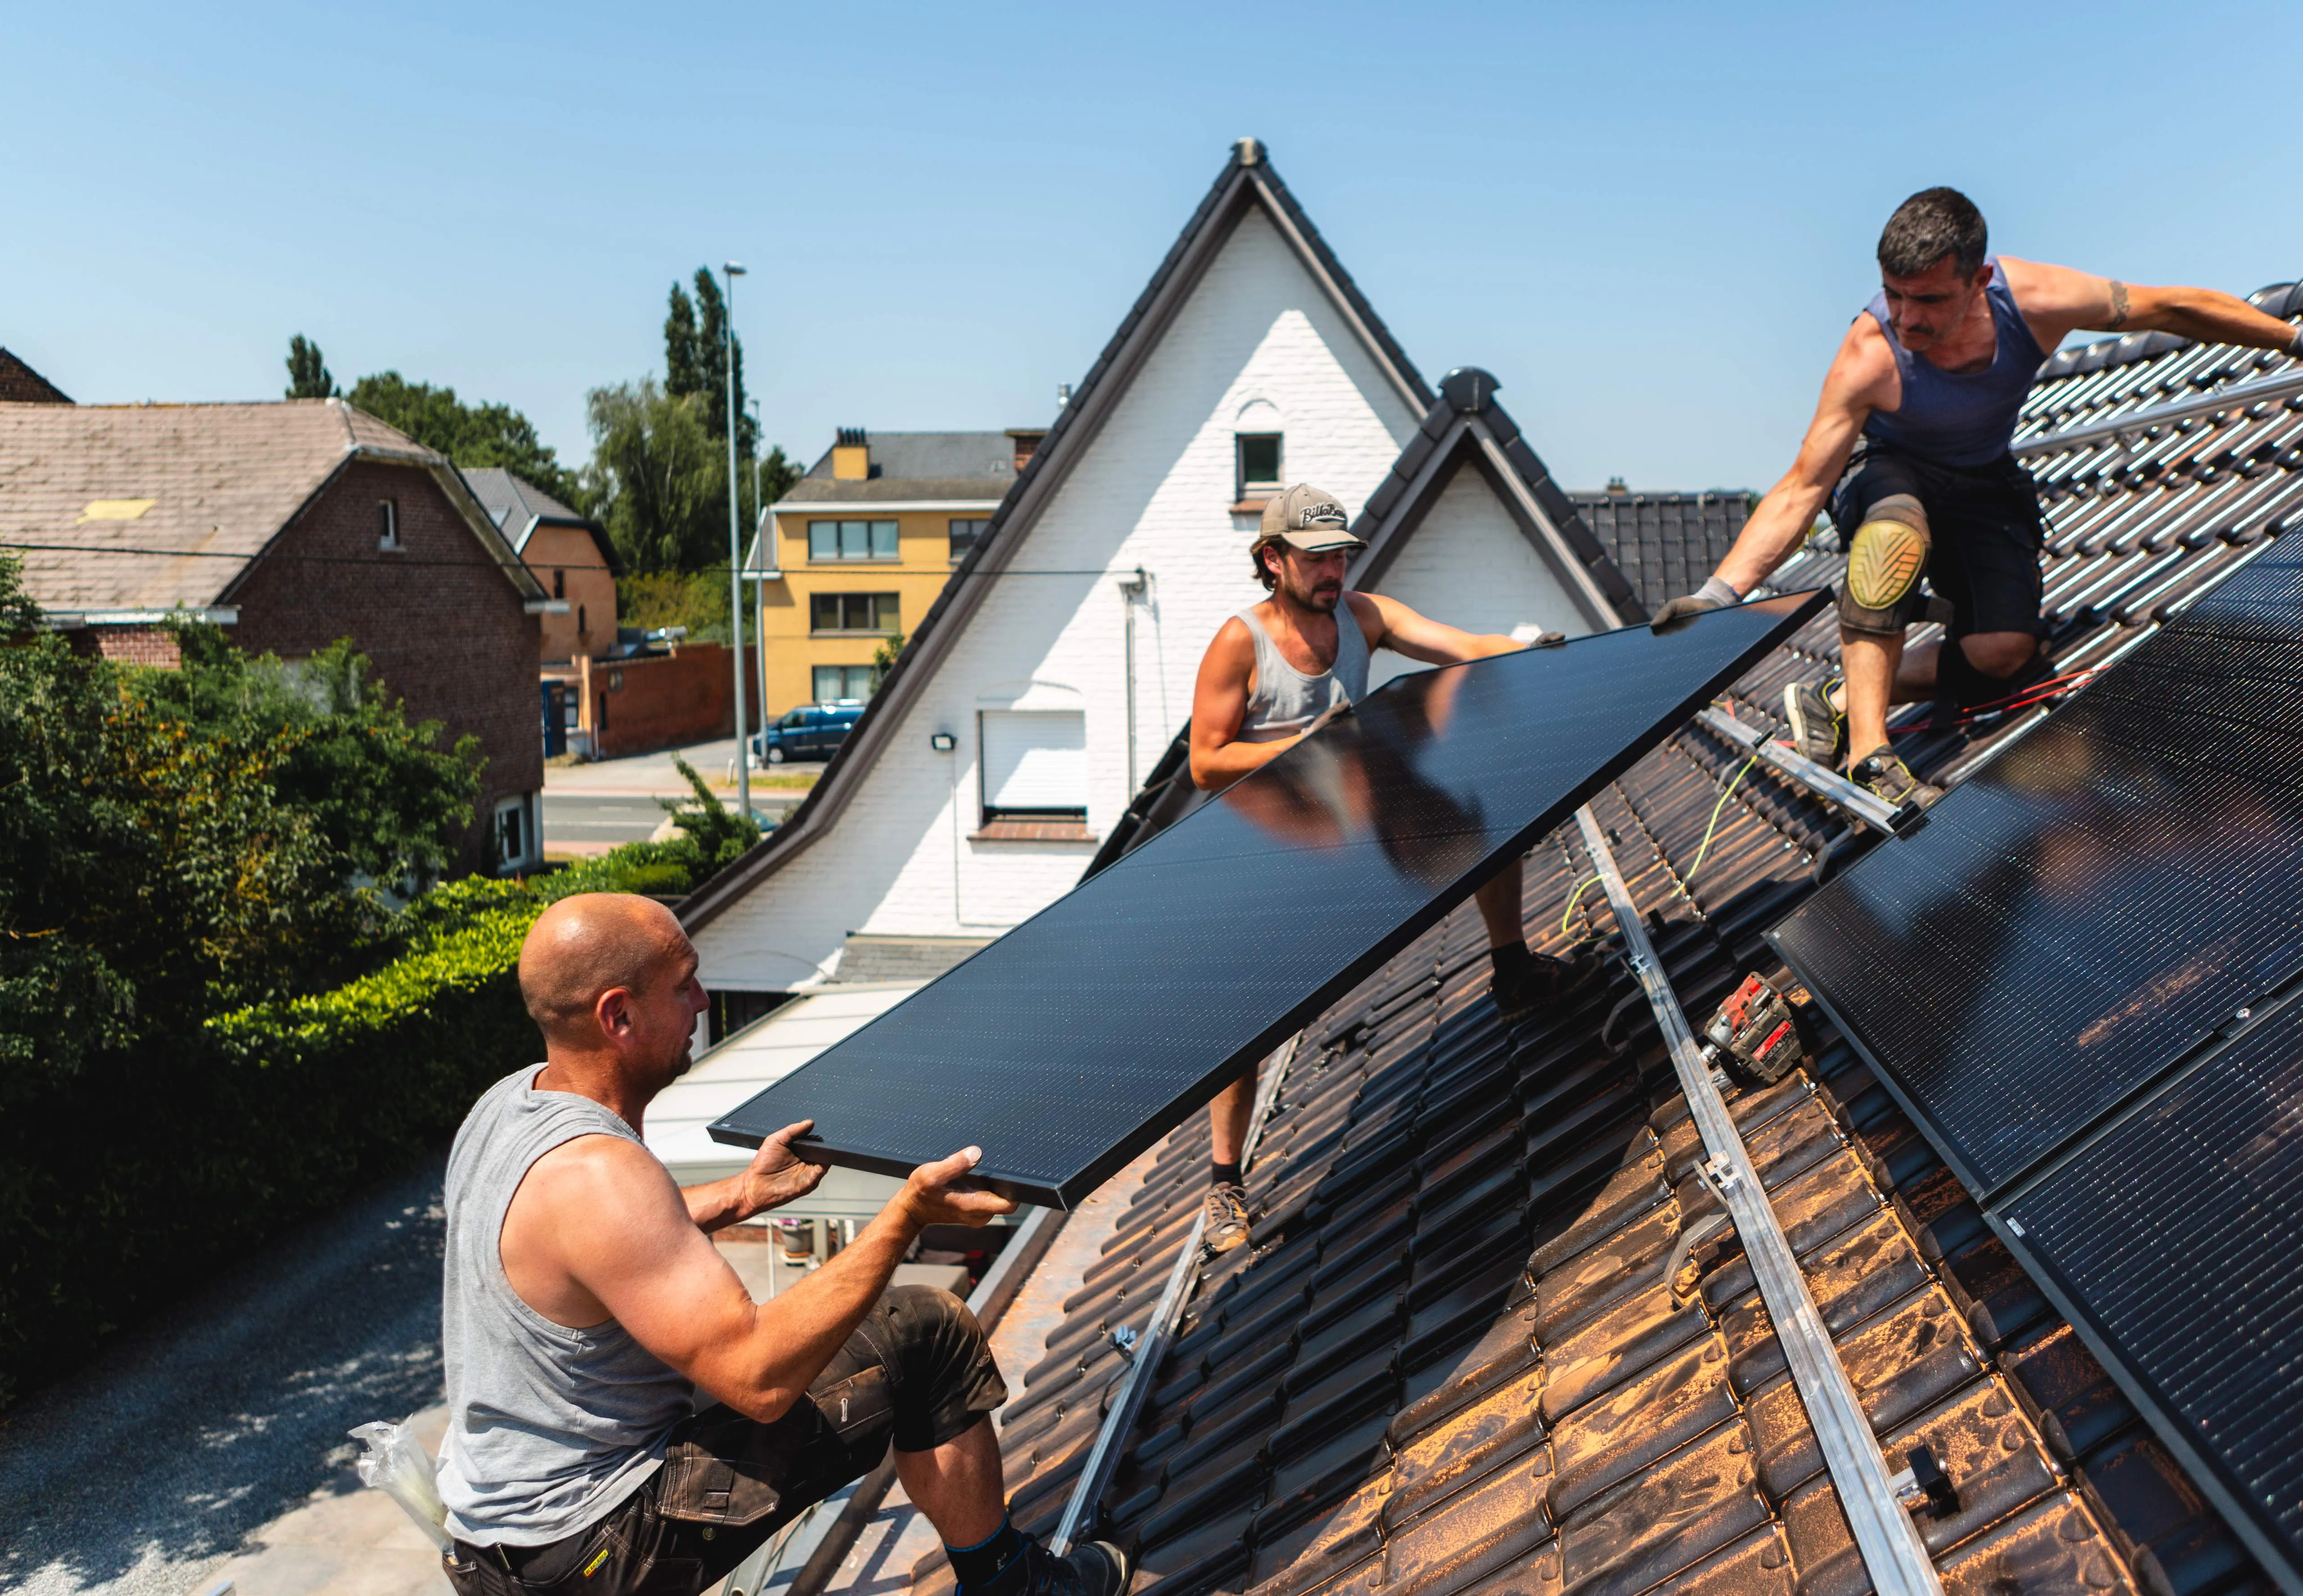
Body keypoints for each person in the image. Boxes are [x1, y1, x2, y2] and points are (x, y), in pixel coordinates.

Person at [434, 893, 1128, 1596]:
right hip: (595, 1550)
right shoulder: (600, 1175)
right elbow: (760, 1380)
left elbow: (603, 1245)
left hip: (494, 1547)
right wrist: (906, 1217)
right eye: (685, 984)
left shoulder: (510, 1108)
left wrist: (743, 1194)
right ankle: (1016, 1588)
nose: (704, 1000)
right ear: (619, 1015)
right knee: (928, 1332)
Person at [1651, 186, 2303, 806]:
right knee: (1890, 542)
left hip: (1984, 483)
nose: (1907, 319)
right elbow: (1803, 485)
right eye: (1894, 296)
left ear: (1979, 279)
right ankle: (1870, 753)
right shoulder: (1870, 354)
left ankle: (1839, 699)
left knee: (2004, 653)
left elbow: (2170, 308)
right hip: (1892, 473)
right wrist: (1720, 597)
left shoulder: (2033, 301)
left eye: (1928, 300)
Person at [1181, 483, 1595, 1254]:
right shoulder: (1241, 644)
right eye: (1317, 559)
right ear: (1273, 560)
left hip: (1348, 817)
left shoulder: (1363, 615)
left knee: (1477, 812)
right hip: (1267, 839)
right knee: (1246, 1013)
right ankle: (1224, 1181)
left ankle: (1512, 968)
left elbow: (1460, 646)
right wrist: (1309, 741)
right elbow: (1207, 761)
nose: (1334, 570)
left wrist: (1545, 653)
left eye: (1341, 555)